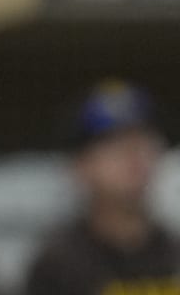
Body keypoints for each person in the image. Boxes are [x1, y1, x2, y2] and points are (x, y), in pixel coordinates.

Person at [21, 81, 180, 295]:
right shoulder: (59, 266)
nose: (134, 157)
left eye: (143, 142)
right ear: (80, 166)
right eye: (115, 146)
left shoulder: (173, 253)